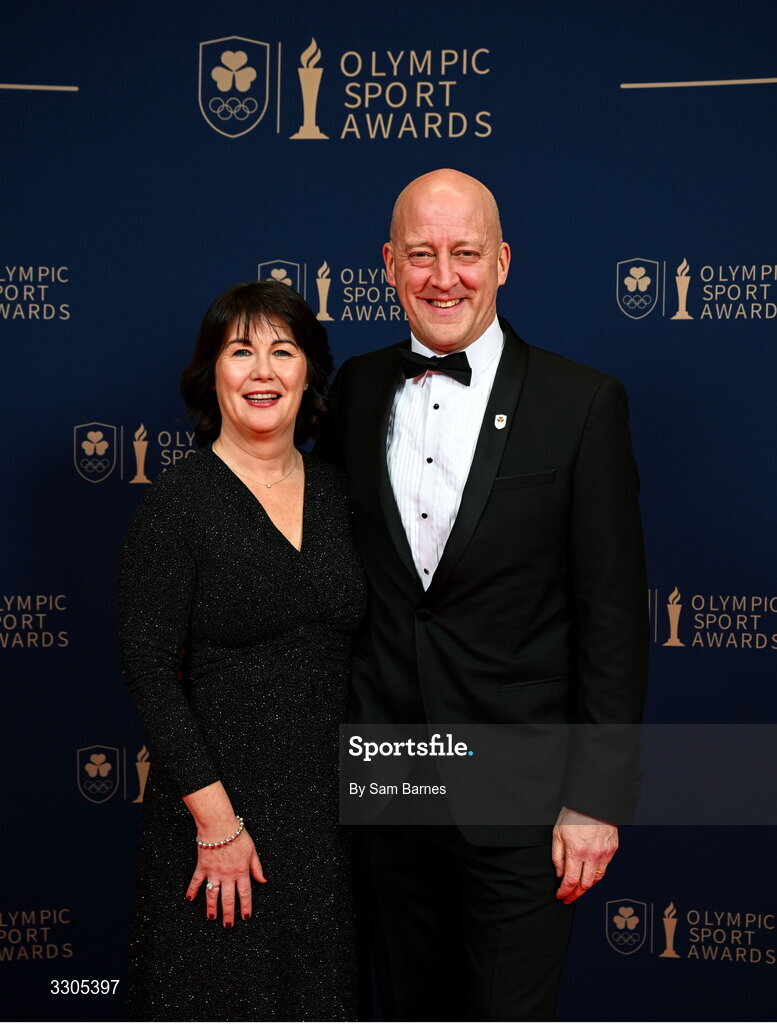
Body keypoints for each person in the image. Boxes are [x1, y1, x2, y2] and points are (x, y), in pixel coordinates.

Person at [319, 169, 648, 1021]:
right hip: (389, 790)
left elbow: (612, 618)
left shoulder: (581, 405)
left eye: (464, 254)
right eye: (420, 255)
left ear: (501, 261)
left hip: (524, 795)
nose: (443, 277)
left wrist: (595, 800)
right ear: (387, 265)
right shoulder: (351, 391)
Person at [118, 281, 366, 1022]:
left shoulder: (336, 493)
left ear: (308, 373)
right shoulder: (179, 502)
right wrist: (217, 825)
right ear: (211, 373)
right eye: (240, 351)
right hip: (222, 823)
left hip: (328, 821)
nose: (262, 370)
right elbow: (148, 669)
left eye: (282, 351)